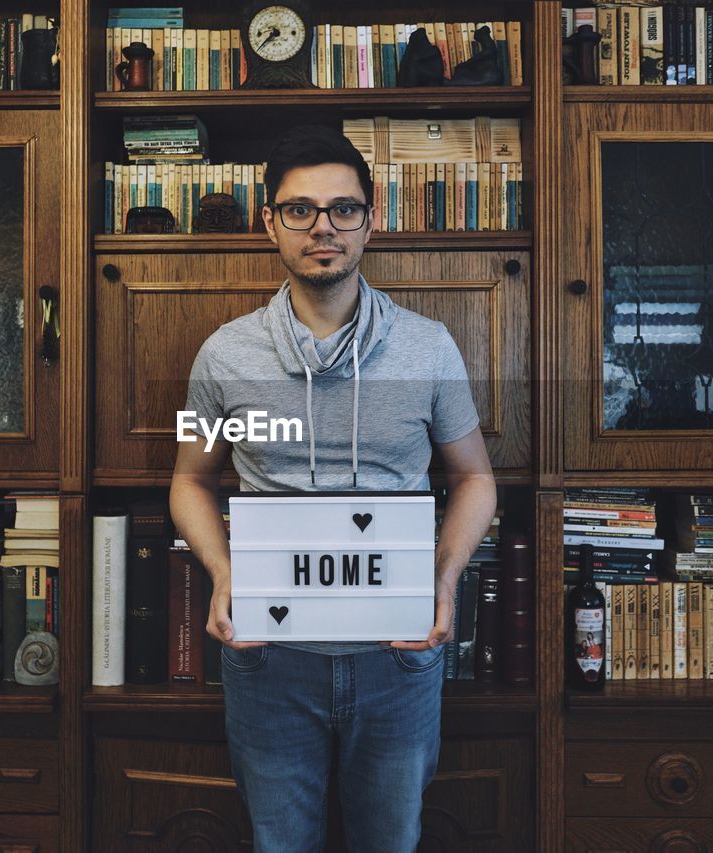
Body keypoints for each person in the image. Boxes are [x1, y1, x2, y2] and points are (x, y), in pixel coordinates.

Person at [169, 124, 497, 853]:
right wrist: (222, 572)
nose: (324, 226)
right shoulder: (221, 353)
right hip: (267, 659)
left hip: (399, 655)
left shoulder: (429, 346)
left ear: (370, 221)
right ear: (270, 224)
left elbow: (476, 478)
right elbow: (189, 481)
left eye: (344, 209)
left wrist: (444, 579)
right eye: (300, 209)